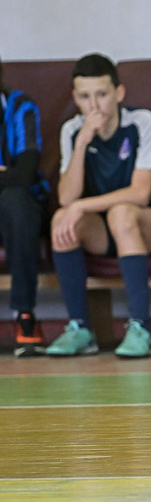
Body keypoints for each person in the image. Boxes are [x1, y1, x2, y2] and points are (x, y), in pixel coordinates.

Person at [46, 54, 151, 358]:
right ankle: (80, 328)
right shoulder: (72, 131)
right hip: (109, 228)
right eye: (85, 97)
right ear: (75, 98)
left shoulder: (141, 122)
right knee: (62, 219)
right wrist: (82, 142)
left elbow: (140, 193)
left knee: (122, 213)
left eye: (101, 94)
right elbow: (67, 199)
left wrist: (82, 206)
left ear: (119, 93)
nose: (94, 106)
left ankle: (142, 329)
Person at [0, 58, 49, 357]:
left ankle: (25, 314)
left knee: (14, 201)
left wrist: (10, 176)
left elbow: (25, 173)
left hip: (21, 206)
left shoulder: (21, 108)